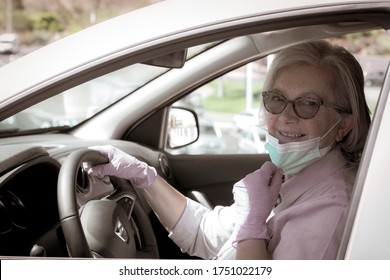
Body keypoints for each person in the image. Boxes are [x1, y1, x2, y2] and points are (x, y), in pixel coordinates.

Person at [88, 40, 371, 260]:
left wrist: (251, 225)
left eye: (308, 103)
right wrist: (144, 177)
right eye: (276, 99)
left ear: (344, 124)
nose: (285, 116)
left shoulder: (330, 213)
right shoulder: (287, 177)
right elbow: (205, 233)